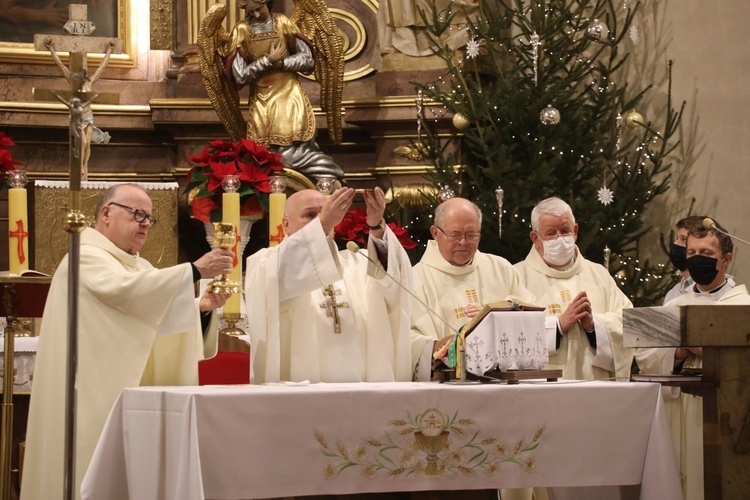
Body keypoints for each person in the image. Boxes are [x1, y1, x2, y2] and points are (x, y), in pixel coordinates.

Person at [21, 184, 234, 500]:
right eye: (137, 214)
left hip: (125, 395)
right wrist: (194, 270)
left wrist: (199, 308)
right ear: (106, 213)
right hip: (90, 394)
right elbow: (125, 291)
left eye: (149, 217)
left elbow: (150, 318)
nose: (146, 223)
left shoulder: (140, 267)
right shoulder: (84, 257)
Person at [244, 186, 412, 383]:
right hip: (301, 391)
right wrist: (323, 224)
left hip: (362, 390)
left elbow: (395, 282)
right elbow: (281, 276)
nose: (320, 220)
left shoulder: (357, 262)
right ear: (286, 224)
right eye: (310, 215)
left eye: (324, 214)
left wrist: (376, 226)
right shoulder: (266, 264)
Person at [635, 218, 750, 499]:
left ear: (726, 260)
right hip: (683, 409)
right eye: (692, 254)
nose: (698, 260)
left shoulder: (743, 306)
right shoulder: (674, 306)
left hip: (729, 412)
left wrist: (710, 349)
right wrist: (679, 351)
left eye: (707, 255)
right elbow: (645, 355)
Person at [198, 0, 344, 181]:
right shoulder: (241, 30)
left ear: (268, 3)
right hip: (262, 99)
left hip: (289, 95)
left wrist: (282, 63)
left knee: (297, 147)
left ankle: (319, 179)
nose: (256, 15)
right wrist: (267, 61)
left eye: (259, 9)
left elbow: (308, 60)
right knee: (264, 152)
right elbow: (239, 76)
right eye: (251, 12)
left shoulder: (283, 22)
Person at [410, 197, 536, 381]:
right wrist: (446, 346)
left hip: (502, 384)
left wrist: (498, 316)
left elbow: (533, 317)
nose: (463, 242)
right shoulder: (415, 279)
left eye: (471, 235)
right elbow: (406, 339)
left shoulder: (502, 269)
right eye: (455, 234)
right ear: (435, 233)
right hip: (446, 387)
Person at [514, 197, 634, 381]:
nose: (559, 239)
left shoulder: (599, 274)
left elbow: (627, 323)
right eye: (551, 233)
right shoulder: (517, 277)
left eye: (565, 231)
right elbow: (509, 335)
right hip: (542, 393)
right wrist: (558, 325)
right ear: (535, 238)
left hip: (595, 388)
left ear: (575, 231)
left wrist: (594, 326)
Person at [664, 215, 708, 304]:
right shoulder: (672, 292)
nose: (675, 243)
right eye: (677, 238)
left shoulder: (708, 290)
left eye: (683, 240)